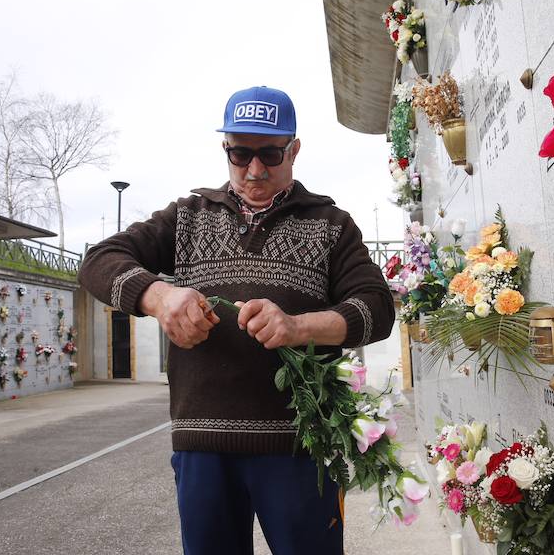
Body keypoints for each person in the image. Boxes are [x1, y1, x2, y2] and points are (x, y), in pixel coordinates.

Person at [78, 85, 395, 555]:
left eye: (270, 152)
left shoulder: (332, 224)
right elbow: (98, 260)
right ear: (224, 149)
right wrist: (159, 296)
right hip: (203, 446)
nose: (255, 169)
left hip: (300, 445)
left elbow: (377, 308)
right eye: (240, 153)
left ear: (295, 149)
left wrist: (298, 326)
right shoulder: (187, 217)